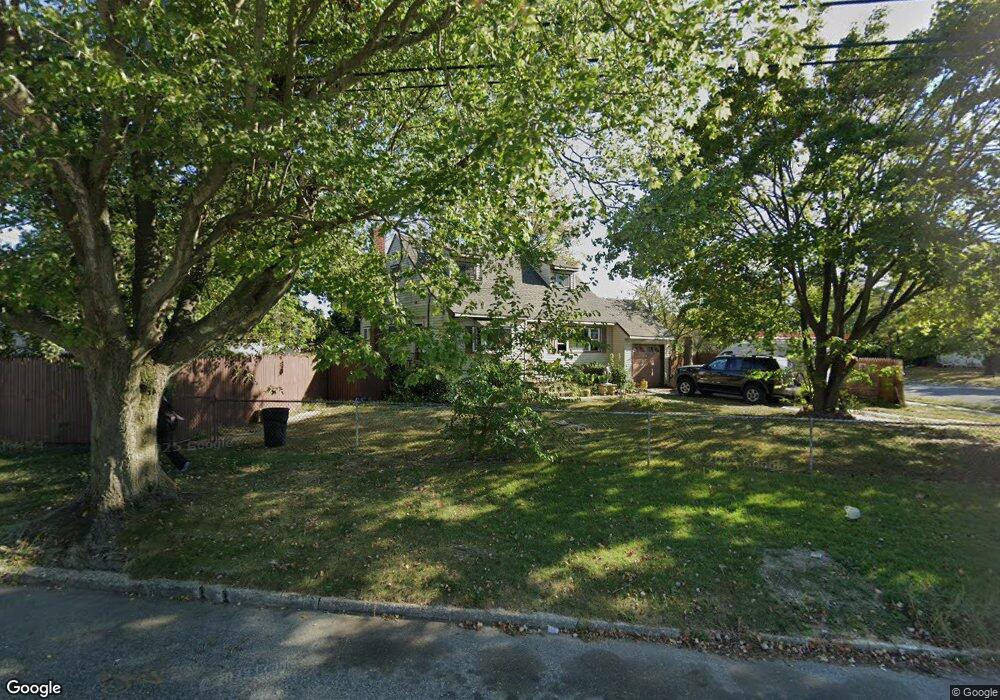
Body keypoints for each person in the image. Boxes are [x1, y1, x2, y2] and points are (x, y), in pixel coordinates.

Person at [157, 398, 191, 473]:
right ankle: (183, 463)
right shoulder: (164, 401)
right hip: (166, 426)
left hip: (164, 427)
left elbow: (169, 413)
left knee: (167, 448)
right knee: (168, 447)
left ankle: (183, 463)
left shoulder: (162, 402)